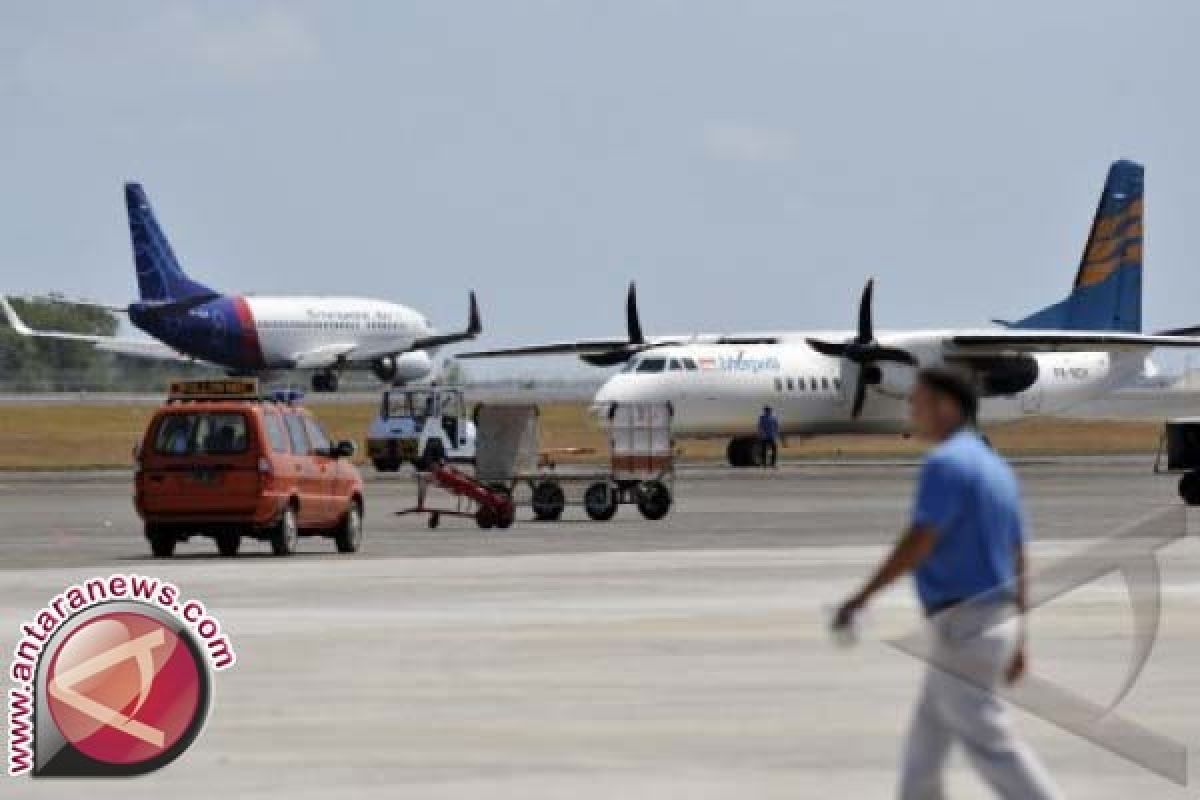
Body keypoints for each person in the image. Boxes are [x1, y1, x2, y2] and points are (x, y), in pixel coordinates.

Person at [832, 368, 1061, 800]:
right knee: (925, 750)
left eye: (917, 402)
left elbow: (921, 538)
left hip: (966, 624)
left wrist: (862, 598)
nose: (911, 411)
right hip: (989, 622)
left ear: (947, 407)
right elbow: (1019, 554)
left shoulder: (945, 464)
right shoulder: (995, 467)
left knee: (990, 746)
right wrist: (1022, 637)